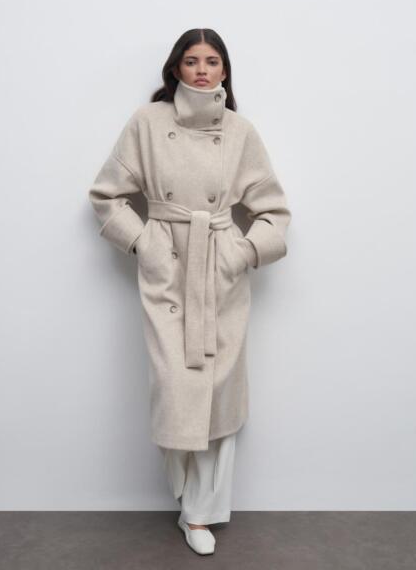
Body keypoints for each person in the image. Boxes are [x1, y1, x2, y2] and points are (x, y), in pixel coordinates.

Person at [88, 28, 291, 555]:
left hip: (219, 273)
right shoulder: (147, 123)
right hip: (168, 272)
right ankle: (185, 490)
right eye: (192, 60)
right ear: (176, 67)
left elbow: (274, 210)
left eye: (212, 61)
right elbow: (106, 195)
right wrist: (144, 244)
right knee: (176, 387)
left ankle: (200, 512)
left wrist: (240, 253)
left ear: (225, 70)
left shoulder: (240, 131)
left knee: (218, 394)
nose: (202, 70)